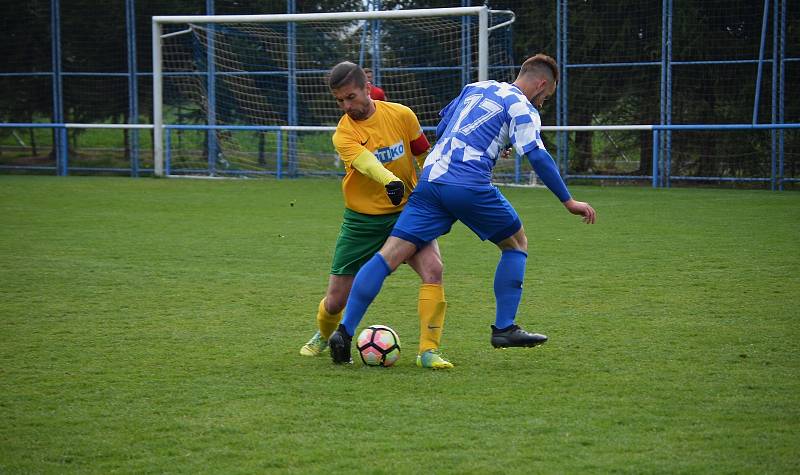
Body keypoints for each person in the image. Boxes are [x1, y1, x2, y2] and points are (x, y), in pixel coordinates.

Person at [328, 54, 596, 364]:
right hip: (468, 184)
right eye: (545, 96)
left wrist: (493, 141)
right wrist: (568, 201)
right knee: (516, 243)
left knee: (389, 255)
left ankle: (344, 333)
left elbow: (445, 126)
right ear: (541, 84)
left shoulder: (475, 87)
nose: (542, 101)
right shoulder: (522, 106)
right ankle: (504, 328)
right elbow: (537, 155)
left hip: (430, 179)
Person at [299, 61, 453, 369]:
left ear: (367, 89)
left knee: (434, 270)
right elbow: (367, 163)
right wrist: (390, 181)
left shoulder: (401, 114)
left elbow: (424, 154)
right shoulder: (343, 133)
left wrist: (434, 185)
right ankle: (323, 334)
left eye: (351, 97)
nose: (346, 106)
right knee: (335, 301)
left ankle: (428, 351)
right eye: (340, 101)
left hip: (408, 213)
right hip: (362, 220)